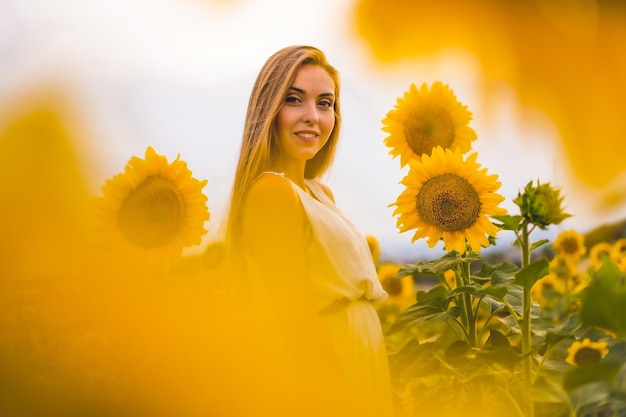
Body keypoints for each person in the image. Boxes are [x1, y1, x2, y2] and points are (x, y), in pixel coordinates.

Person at [224, 45, 393, 417]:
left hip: (358, 366)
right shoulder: (272, 192)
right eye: (294, 99)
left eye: (325, 103)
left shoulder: (318, 192)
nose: (312, 117)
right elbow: (292, 315)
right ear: (268, 109)